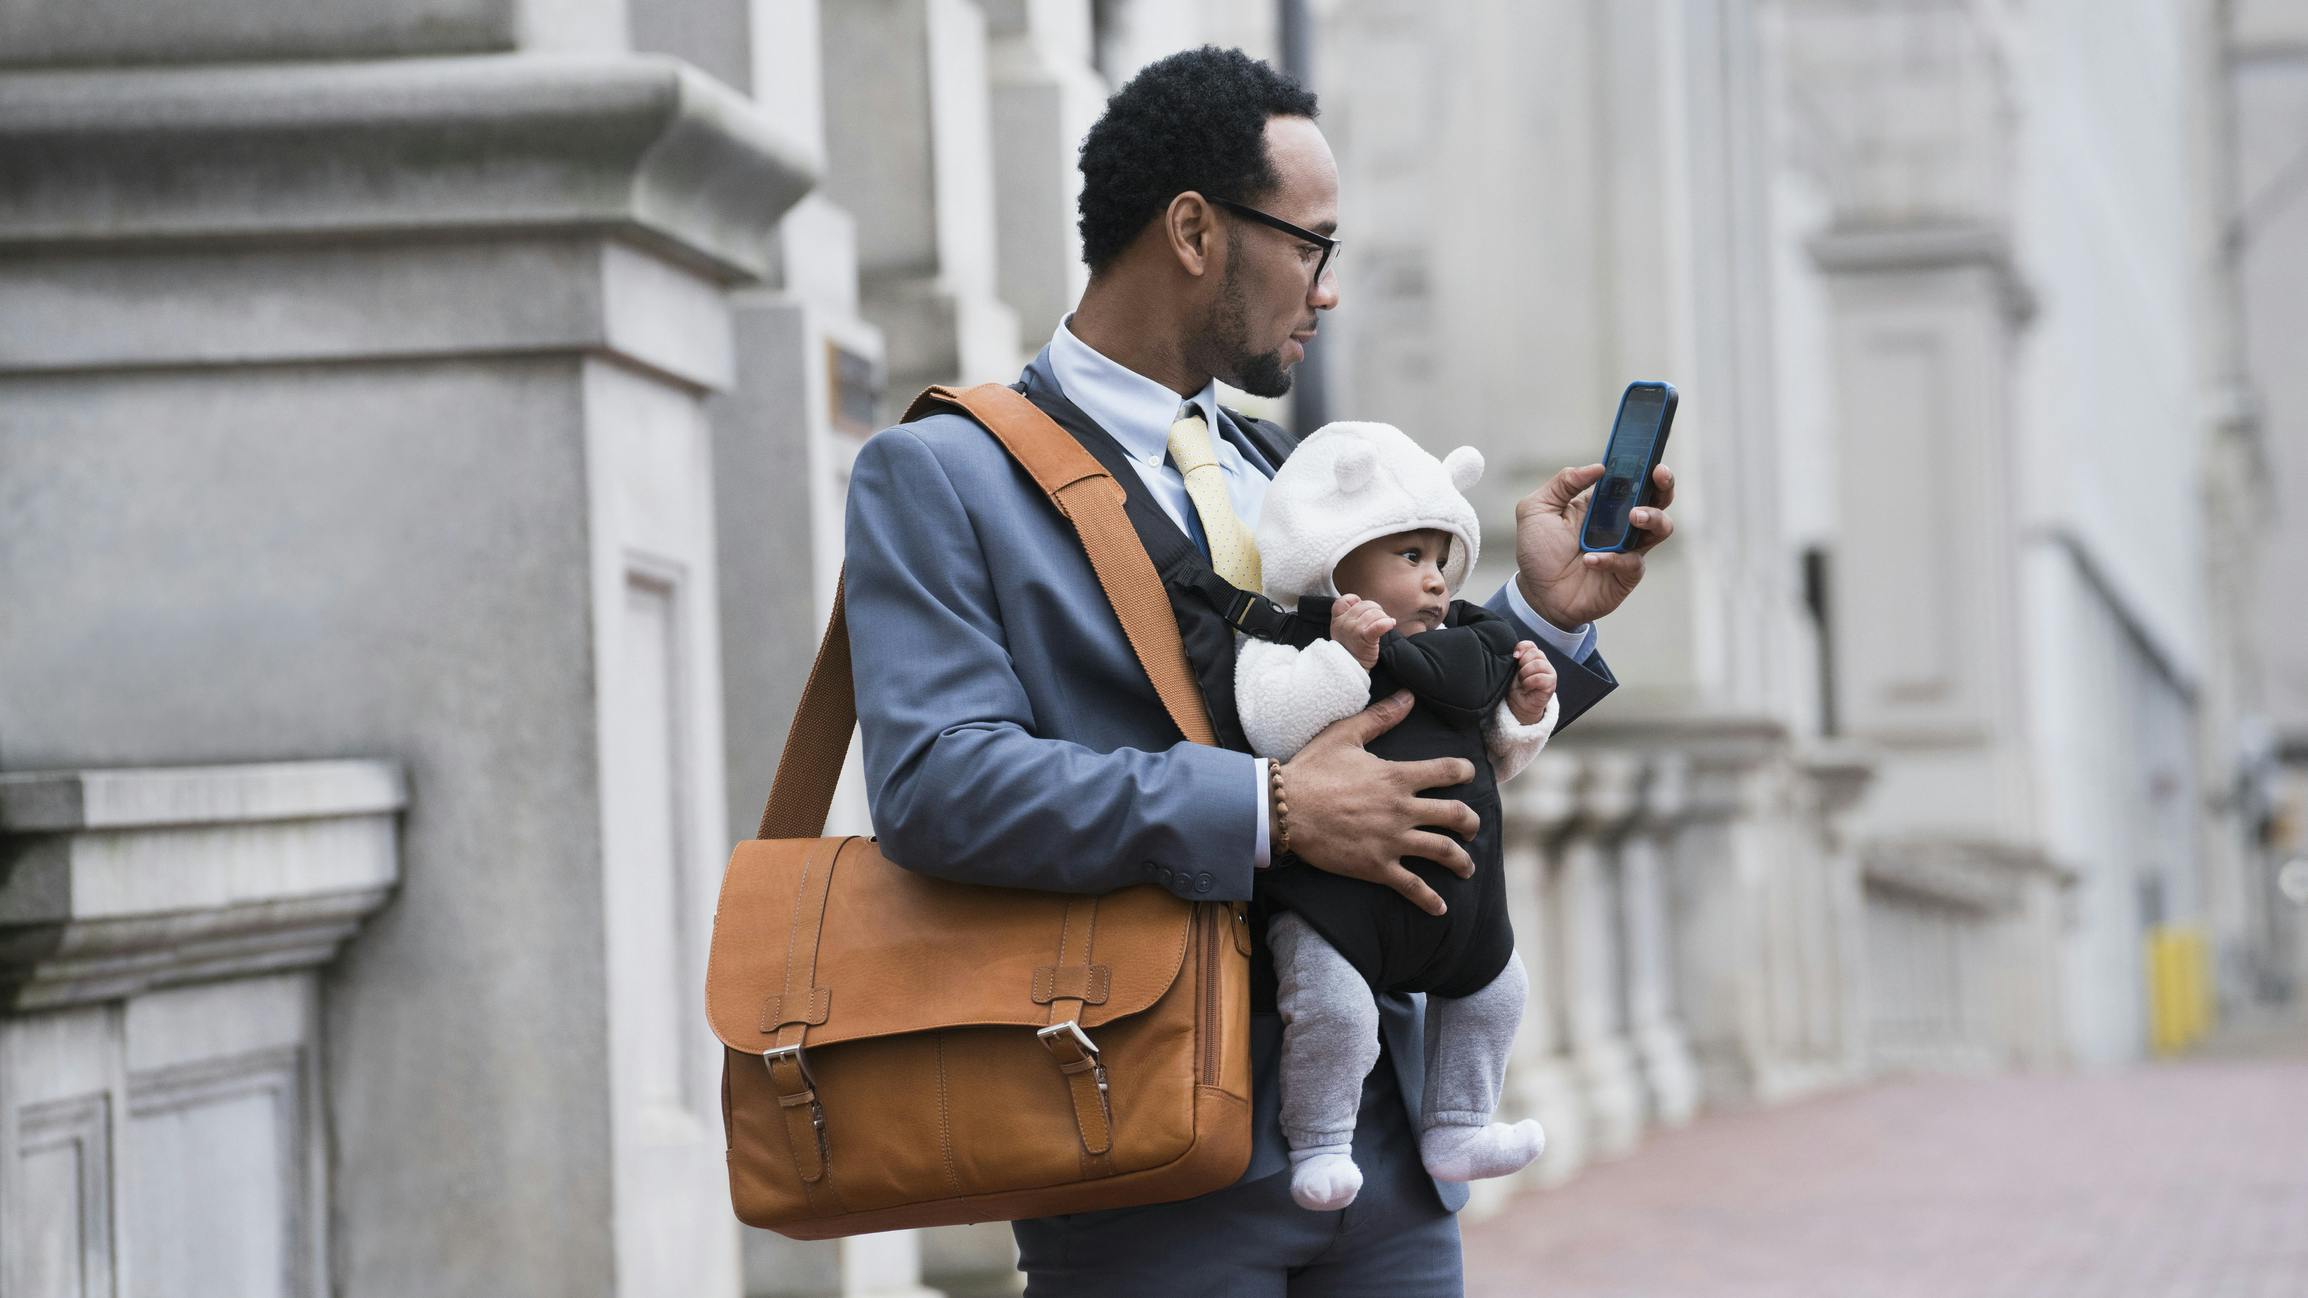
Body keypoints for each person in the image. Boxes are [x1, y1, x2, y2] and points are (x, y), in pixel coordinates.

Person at [844, 44, 1677, 1298]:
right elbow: (935, 784)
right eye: (1312, 244)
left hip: (1387, 1148)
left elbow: (1386, 687)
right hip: (1137, 1150)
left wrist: (1541, 619)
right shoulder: (944, 472)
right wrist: (1270, 812)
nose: (1327, 291)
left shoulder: (1288, 468)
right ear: (1193, 229)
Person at [1233, 422, 1555, 1214]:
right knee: (1334, 1010)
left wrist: (1524, 710)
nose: (1438, 581)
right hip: (1336, 905)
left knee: (1499, 993)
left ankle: (1458, 1123)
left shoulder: (1458, 651)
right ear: (1336, 559)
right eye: (1409, 557)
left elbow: (1492, 757)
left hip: (1459, 906)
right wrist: (1344, 661)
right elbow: (1271, 728)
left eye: (1440, 560)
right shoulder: (1289, 640)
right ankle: (1320, 1142)